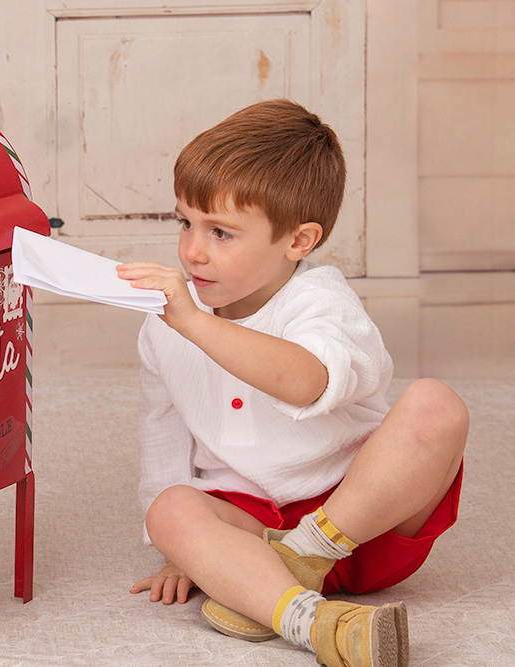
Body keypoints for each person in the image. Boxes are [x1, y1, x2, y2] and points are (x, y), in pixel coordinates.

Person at [115, 99, 468, 667]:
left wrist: (196, 324)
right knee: (170, 509)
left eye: (222, 233)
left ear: (299, 241)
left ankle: (307, 555)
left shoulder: (321, 300)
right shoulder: (166, 326)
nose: (193, 250)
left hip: (361, 520)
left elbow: (306, 380)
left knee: (437, 405)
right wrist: (180, 553)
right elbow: (161, 437)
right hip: (252, 529)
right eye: (186, 222)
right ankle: (312, 622)